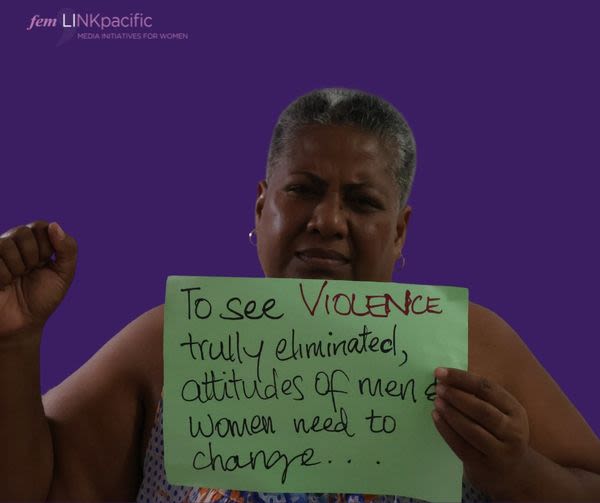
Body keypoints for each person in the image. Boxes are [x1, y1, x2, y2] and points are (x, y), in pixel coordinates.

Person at [1, 88, 599, 503]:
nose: (328, 221)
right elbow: (36, 491)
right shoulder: (174, 339)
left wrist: (519, 474)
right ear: (261, 207)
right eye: (304, 191)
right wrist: (14, 342)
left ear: (399, 232)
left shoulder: (472, 343)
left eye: (363, 202)